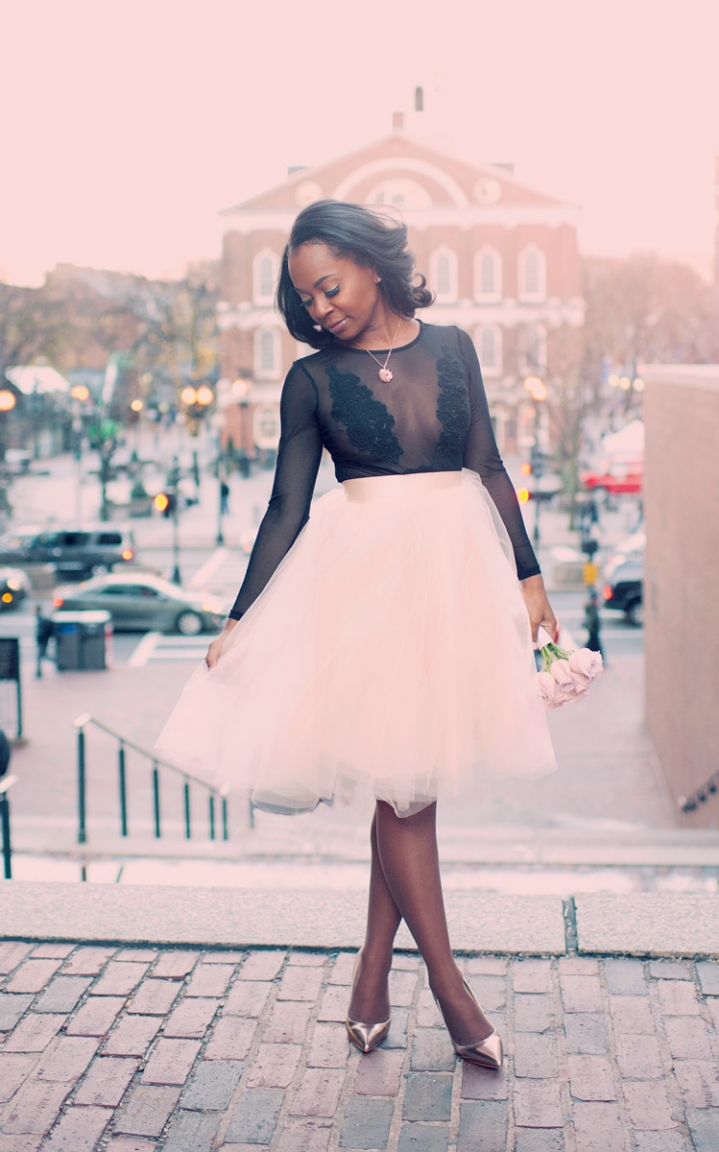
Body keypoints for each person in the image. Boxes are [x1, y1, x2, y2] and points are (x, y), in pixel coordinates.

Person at [156, 201, 558, 1069]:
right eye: (303, 299)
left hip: (454, 576)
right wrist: (239, 618)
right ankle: (452, 993)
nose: (317, 308)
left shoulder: (453, 347)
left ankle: (372, 975)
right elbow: (286, 509)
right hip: (363, 585)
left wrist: (530, 581)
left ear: (374, 265)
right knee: (406, 791)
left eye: (327, 286)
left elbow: (487, 466)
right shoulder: (310, 380)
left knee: (403, 780)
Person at [34, 606, 56, 678]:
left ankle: (39, 671)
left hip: (42, 641)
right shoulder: (40, 619)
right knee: (43, 656)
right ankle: (38, 671)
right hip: (43, 640)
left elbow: (42, 631)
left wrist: (39, 638)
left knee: (41, 656)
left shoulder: (41, 620)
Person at [584, 589, 604, 658]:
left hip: (593, 630)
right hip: (593, 629)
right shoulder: (592, 607)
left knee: (592, 645)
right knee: (593, 645)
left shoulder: (592, 607)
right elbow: (592, 619)